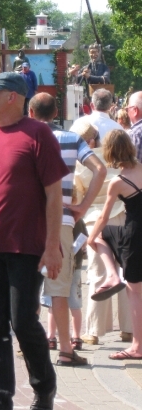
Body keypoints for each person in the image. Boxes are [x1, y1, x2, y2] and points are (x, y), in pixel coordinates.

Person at [0, 72, 69, 410]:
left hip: (26, 246)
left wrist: (51, 244)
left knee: (24, 322)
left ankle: (44, 390)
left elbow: (54, 195)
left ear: (12, 97)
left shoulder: (38, 133)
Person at [29, 92, 106, 367]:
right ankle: (65, 350)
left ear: (31, 112)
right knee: (59, 289)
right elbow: (99, 169)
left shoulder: (26, 137)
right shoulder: (72, 139)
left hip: (29, 221)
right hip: (61, 220)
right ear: (55, 112)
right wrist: (83, 206)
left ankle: (27, 345)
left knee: (28, 287)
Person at [71, 120, 132, 346]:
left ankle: (94, 331)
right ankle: (129, 328)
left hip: (94, 219)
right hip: (124, 215)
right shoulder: (117, 159)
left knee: (98, 273)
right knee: (127, 271)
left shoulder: (82, 164)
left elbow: (76, 196)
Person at [86, 130, 142, 360]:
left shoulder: (118, 182)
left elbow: (103, 217)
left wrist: (90, 238)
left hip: (134, 235)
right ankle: (112, 275)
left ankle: (137, 347)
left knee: (135, 292)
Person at [126, 91, 142, 162]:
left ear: (135, 110)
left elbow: (132, 166)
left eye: (127, 109)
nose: (127, 112)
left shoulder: (135, 134)